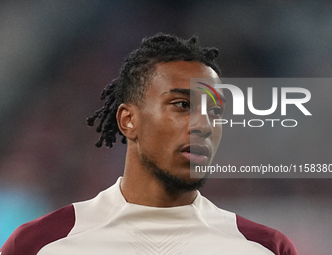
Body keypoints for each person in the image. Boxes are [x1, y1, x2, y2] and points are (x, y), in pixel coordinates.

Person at [1, 33, 297, 255]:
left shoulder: (265, 247)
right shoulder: (41, 244)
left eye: (215, 112)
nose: (204, 125)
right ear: (128, 120)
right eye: (182, 105)